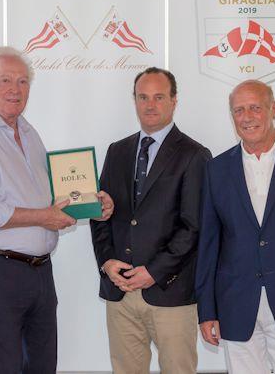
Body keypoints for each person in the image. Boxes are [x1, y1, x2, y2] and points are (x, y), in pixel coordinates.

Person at [0, 46, 114, 374]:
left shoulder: (28, 132)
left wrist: (90, 204)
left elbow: (49, 196)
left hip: (38, 274)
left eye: (23, 82)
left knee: (41, 368)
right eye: (6, 80)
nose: (15, 89)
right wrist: (43, 217)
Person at [90, 67, 211, 374]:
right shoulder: (117, 151)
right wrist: (107, 262)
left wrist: (153, 272)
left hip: (170, 293)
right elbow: (100, 214)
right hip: (121, 293)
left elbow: (193, 227)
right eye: (143, 97)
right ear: (134, 100)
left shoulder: (194, 155)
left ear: (174, 101)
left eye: (159, 97)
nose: (150, 105)